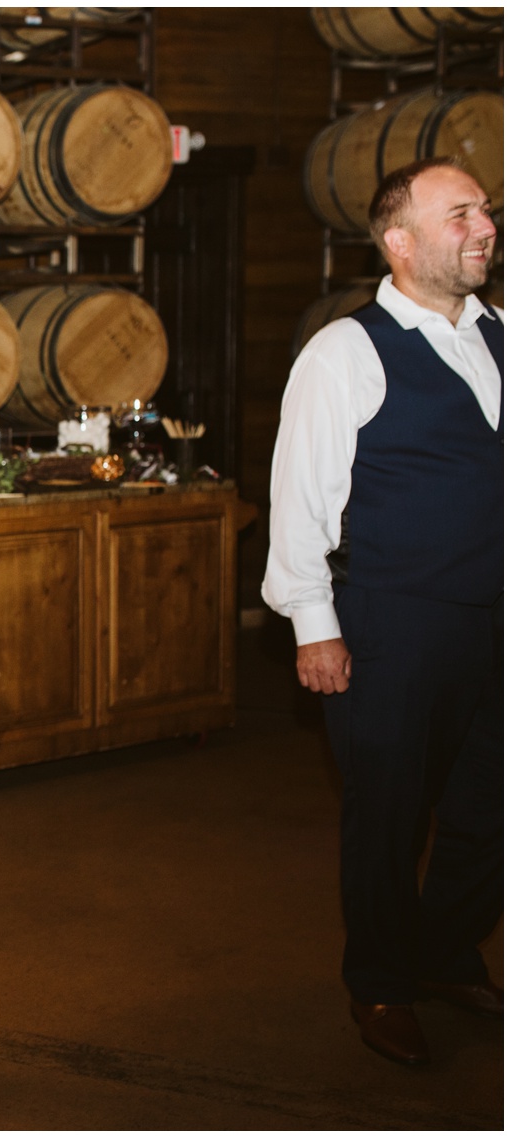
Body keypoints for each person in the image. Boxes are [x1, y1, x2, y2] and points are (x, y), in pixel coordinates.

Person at [263, 157, 502, 1067]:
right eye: (461, 214)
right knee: (390, 817)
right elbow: (301, 501)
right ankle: (381, 980)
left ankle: (442, 950)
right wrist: (313, 624)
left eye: (485, 211)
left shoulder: (499, 335)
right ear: (401, 243)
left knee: (491, 810)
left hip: (496, 624)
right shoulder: (345, 352)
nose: (484, 227)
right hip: (394, 624)